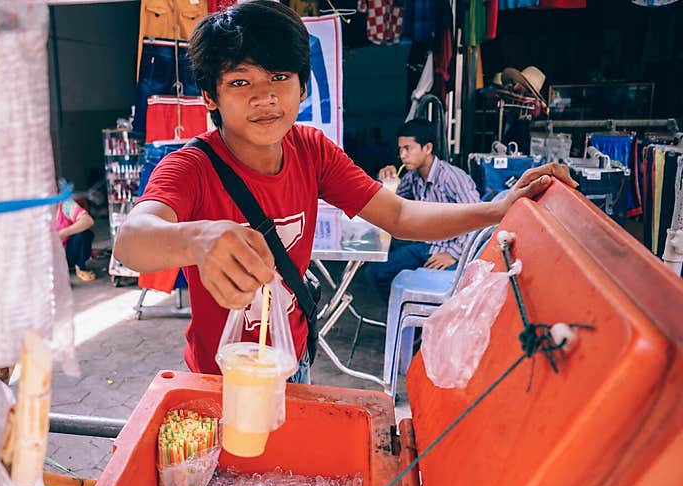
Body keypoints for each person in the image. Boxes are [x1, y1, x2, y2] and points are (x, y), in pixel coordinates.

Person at [113, 0, 577, 385]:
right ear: (209, 96)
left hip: (293, 366)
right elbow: (132, 240)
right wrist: (198, 240)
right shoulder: (191, 166)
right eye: (240, 82)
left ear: (300, 84)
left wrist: (496, 208)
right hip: (217, 377)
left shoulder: (311, 149)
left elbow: (397, 215)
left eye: (279, 78)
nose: (265, 98)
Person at [365, 118, 481, 302]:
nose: (402, 155)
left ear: (427, 148)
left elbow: (479, 220)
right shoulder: (413, 177)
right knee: (375, 273)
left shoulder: (452, 177)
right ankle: (404, 317)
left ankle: (426, 322)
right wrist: (385, 181)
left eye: (408, 148)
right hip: (426, 245)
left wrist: (453, 254)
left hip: (453, 250)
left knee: (449, 293)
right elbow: (389, 200)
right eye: (400, 149)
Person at [55, 197, 96, 282]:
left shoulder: (65, 204)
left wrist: (61, 234)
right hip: (50, 258)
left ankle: (80, 267)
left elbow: (88, 221)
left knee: (84, 233)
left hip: (68, 253)